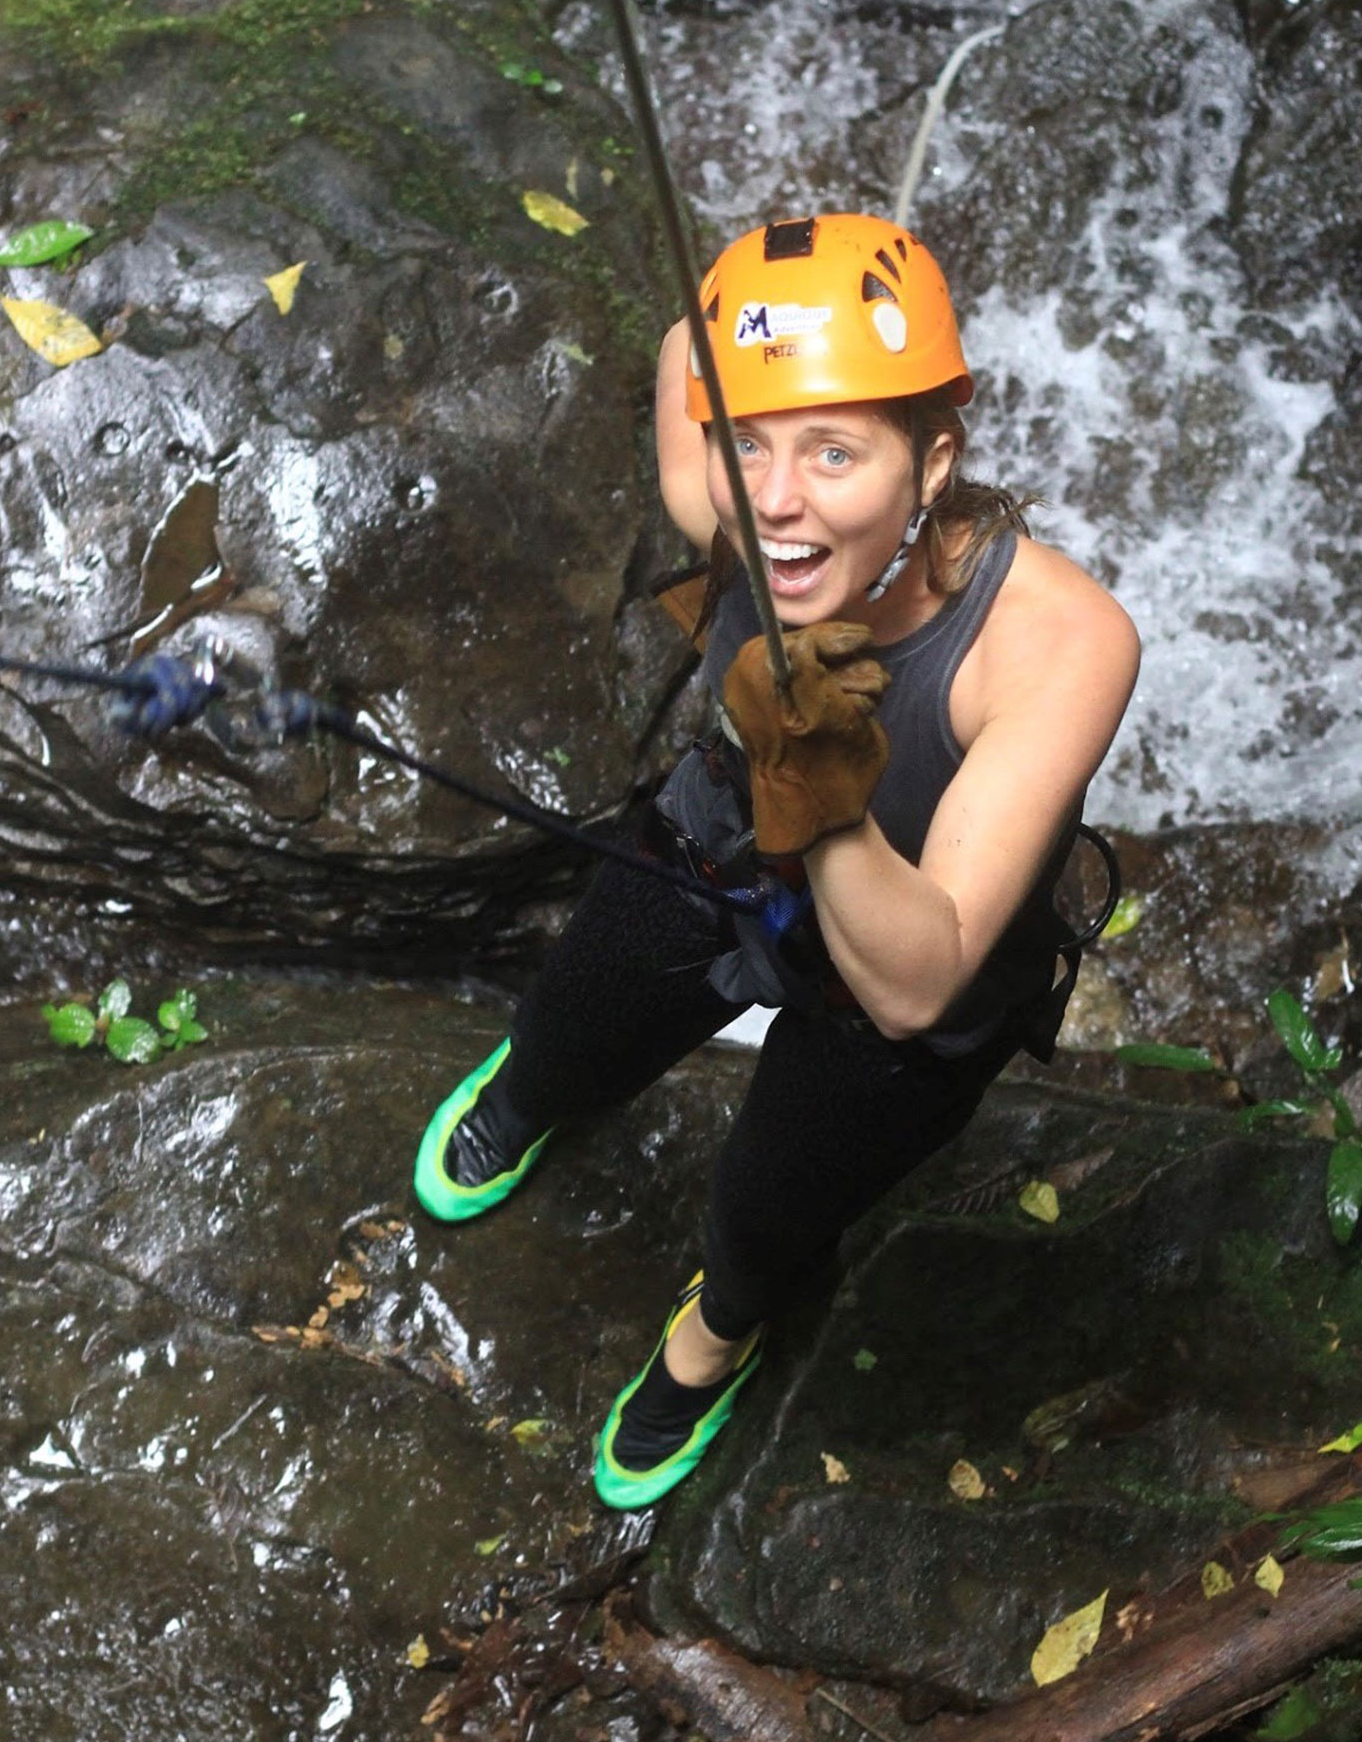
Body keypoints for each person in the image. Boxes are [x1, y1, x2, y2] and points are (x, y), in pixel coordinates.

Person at [413, 213, 1139, 1509]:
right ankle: (533, 1095)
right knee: (574, 1020)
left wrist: (824, 783)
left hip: (903, 996)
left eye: (836, 450)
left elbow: (920, 981)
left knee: (773, 1200)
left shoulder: (1057, 644)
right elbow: (682, 367)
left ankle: (715, 1339)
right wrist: (731, 332)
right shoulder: (732, 507)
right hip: (720, 845)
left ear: (933, 464)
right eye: (751, 441)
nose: (782, 500)